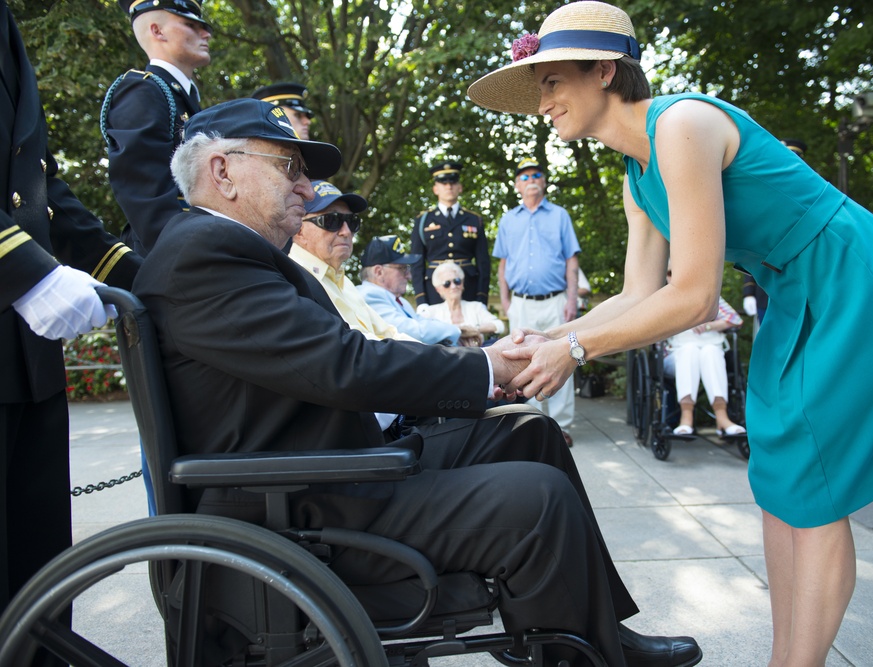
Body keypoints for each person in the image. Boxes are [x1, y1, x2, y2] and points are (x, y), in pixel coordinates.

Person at [467, 3, 873, 666]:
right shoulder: (636, 175)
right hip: (794, 288)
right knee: (777, 474)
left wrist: (572, 350)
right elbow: (636, 292)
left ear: (603, 70)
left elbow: (693, 295)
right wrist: (549, 338)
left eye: (550, 82)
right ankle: (788, 655)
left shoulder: (680, 125)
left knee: (816, 483)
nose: (541, 103)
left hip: (851, 277)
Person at [130, 97, 703, 667]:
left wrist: (485, 370)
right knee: (538, 499)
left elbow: (336, 362)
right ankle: (580, 658)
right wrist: (486, 369)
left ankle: (592, 635)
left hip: (324, 469)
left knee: (529, 433)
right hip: (300, 505)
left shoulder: (222, 252)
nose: (307, 190)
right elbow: (344, 365)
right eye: (291, 168)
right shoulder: (206, 255)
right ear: (222, 171)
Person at [1, 0, 142, 621]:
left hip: (22, 350)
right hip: (17, 301)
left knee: (35, 572)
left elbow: (41, 190)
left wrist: (149, 280)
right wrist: (23, 270)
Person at [104, 0, 212, 257]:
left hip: (200, 243)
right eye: (190, 24)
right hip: (172, 258)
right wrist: (194, 260)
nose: (206, 33)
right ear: (157, 31)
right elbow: (147, 202)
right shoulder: (143, 91)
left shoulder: (183, 98)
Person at [493, 157, 580, 445]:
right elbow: (502, 265)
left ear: (544, 181)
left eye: (536, 175)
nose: (531, 180)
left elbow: (571, 260)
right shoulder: (508, 219)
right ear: (518, 185)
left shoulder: (559, 215)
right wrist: (506, 301)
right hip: (522, 303)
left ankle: (561, 425)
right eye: (525, 177)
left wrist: (571, 300)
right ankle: (532, 422)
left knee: (563, 356)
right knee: (522, 363)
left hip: (556, 302)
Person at [289, 180, 415, 342]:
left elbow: (389, 333)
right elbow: (354, 346)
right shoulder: (292, 279)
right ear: (299, 229)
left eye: (352, 222)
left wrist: (441, 356)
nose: (346, 232)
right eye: (331, 221)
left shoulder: (343, 281)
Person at [742, 139, 805, 337]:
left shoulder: (809, 195)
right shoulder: (762, 198)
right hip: (767, 290)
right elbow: (752, 247)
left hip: (802, 286)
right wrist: (749, 292)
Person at [357, 236, 468, 345]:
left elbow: (424, 323)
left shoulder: (399, 300)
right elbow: (415, 332)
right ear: (379, 272)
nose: (409, 276)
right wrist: (457, 331)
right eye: (402, 269)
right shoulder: (368, 295)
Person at [410, 161, 490, 310]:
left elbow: (483, 262)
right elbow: (416, 263)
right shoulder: (423, 220)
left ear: (460, 187)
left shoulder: (474, 219)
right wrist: (421, 300)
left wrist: (481, 297)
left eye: (453, 181)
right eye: (443, 182)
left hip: (468, 289)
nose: (448, 186)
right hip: (434, 291)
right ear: (435, 189)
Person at [663, 296, 745, 436]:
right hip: (676, 353)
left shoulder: (708, 294)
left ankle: (722, 417)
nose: (672, 276)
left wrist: (708, 326)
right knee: (689, 350)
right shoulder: (665, 299)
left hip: (708, 348)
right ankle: (686, 416)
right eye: (669, 273)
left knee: (711, 351)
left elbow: (735, 320)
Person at [423, 260, 505, 347]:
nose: (453, 286)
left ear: (462, 284)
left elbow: (499, 326)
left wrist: (475, 329)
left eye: (457, 281)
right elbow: (420, 331)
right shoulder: (431, 312)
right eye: (447, 283)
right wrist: (461, 332)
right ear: (438, 289)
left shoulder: (476, 307)